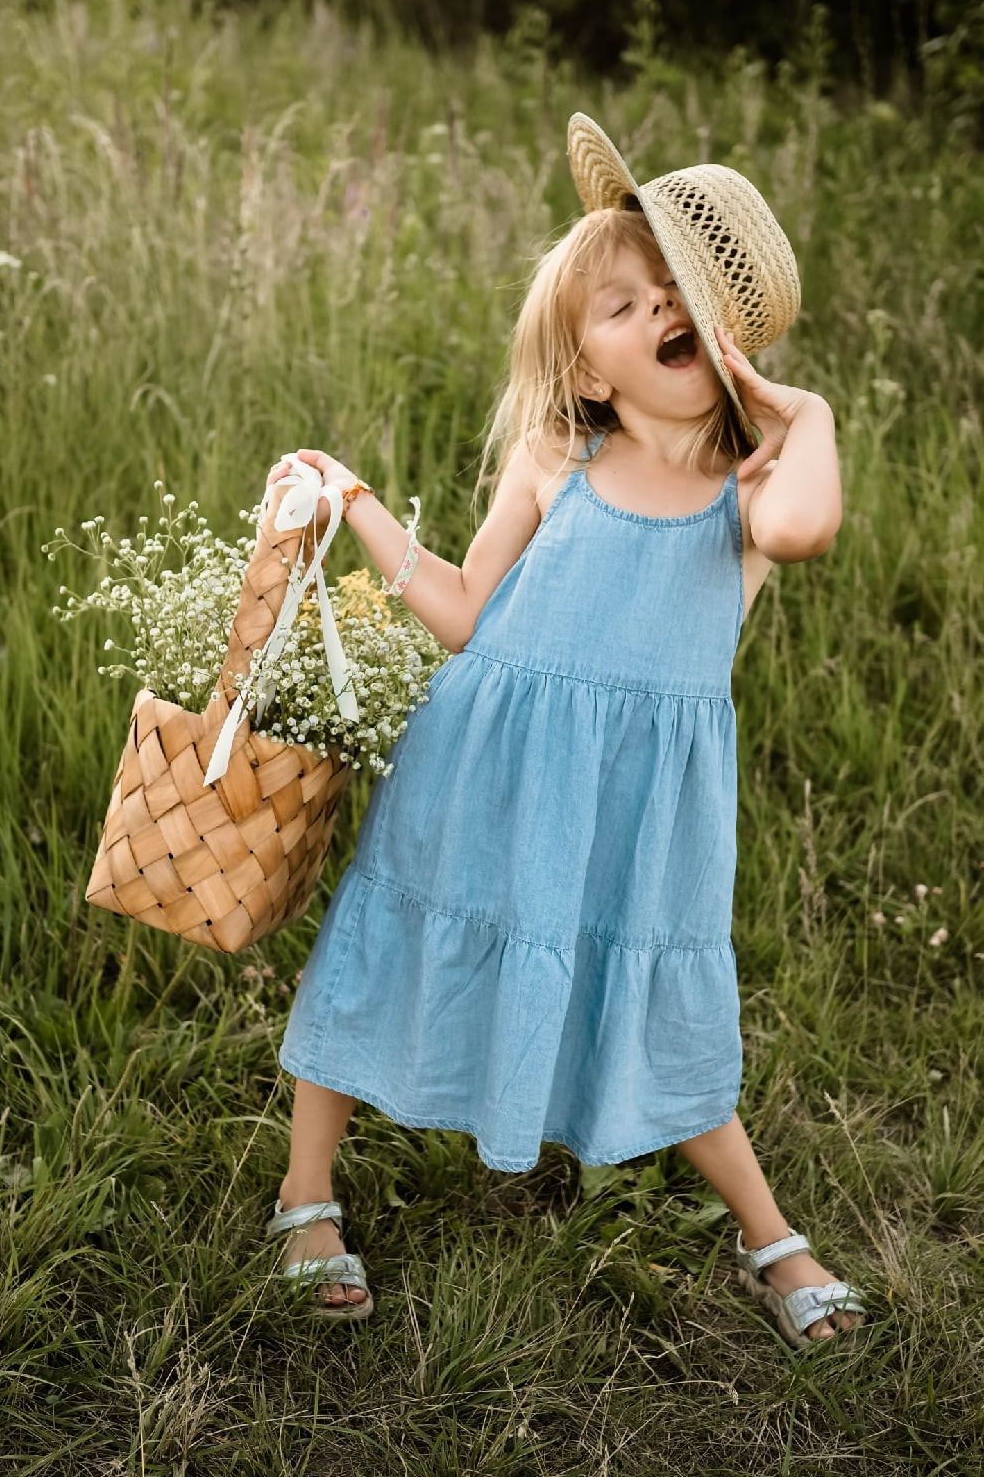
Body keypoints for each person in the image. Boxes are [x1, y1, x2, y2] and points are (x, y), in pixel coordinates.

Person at [260, 113, 869, 1350]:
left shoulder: (751, 490)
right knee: (397, 942)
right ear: (591, 367)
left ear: (727, 334)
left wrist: (801, 412)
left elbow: (807, 531)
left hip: (639, 798)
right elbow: (464, 617)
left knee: (651, 982)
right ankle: (304, 1193)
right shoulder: (555, 458)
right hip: (486, 760)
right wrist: (356, 505)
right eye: (623, 303)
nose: (657, 313)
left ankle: (771, 1235)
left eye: (679, 296)